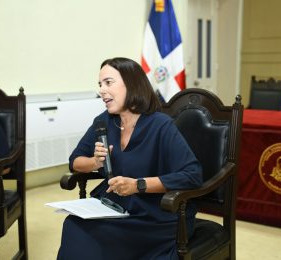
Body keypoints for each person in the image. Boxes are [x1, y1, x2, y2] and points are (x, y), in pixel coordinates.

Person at [57, 57, 203, 260]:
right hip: (115, 207)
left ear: (132, 85)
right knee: (74, 225)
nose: (102, 90)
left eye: (108, 82)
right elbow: (75, 160)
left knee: (96, 237)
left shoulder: (161, 125)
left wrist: (138, 185)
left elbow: (192, 175)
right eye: (100, 84)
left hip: (156, 214)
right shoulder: (103, 121)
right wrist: (95, 162)